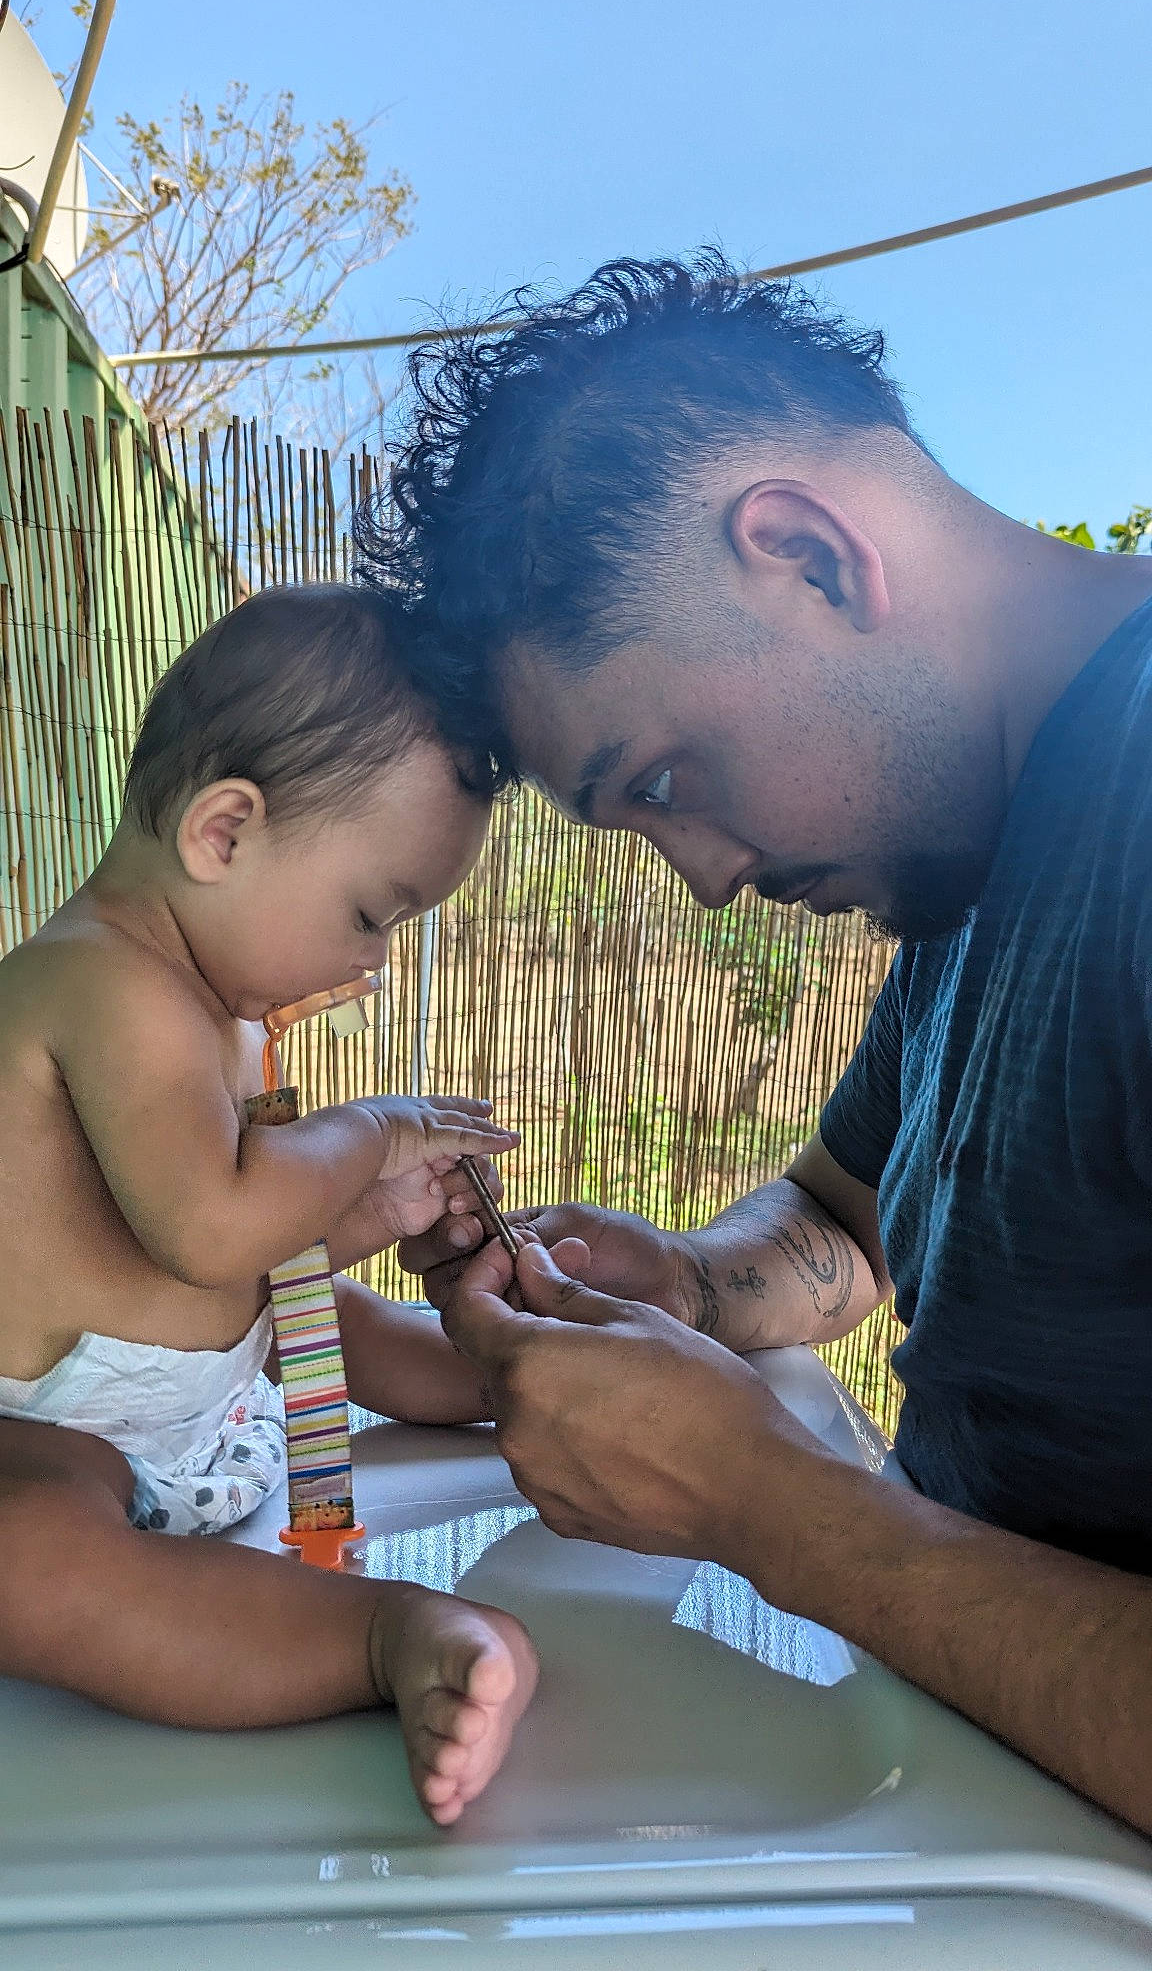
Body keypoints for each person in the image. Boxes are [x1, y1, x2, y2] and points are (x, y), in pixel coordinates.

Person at [358, 252, 1152, 1835]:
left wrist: (765, 1509)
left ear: (806, 556)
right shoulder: (986, 840)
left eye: (658, 781)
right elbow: (847, 1218)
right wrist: (695, 1290)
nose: (707, 877)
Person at [0, 583, 538, 1827]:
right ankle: (381, 1638)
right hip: (58, 1432)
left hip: (219, 1376)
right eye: (371, 910)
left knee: (329, 1313)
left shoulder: (221, 1010)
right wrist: (377, 1129)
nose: (374, 961)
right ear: (224, 833)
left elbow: (247, 1258)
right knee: (28, 1565)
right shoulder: (99, 982)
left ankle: (514, 1370)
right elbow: (209, 1231)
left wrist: (371, 1210)